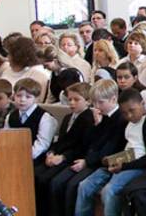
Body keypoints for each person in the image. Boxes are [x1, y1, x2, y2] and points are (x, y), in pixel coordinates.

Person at [76, 89, 146, 216]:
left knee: (109, 190)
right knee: (84, 186)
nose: (129, 116)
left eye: (132, 110)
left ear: (142, 103)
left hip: (140, 166)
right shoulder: (126, 122)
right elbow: (124, 147)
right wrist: (111, 159)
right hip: (124, 160)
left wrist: (124, 166)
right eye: (124, 113)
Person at [48, 80, 122, 216]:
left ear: (113, 99)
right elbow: (90, 142)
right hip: (91, 159)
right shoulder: (102, 116)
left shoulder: (120, 118)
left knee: (74, 186)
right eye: (94, 102)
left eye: (100, 102)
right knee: (57, 182)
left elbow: (109, 149)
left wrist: (87, 161)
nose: (96, 106)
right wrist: (97, 125)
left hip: (106, 163)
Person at [35, 82, 94, 215]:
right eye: (70, 99)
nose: (72, 103)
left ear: (88, 101)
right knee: (36, 174)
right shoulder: (68, 118)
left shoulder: (88, 119)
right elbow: (61, 141)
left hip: (73, 158)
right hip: (58, 155)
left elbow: (82, 147)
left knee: (54, 181)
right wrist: (51, 153)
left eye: (76, 99)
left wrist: (62, 157)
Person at [9, 77, 59, 160]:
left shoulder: (45, 118)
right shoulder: (11, 116)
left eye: (28, 97)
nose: (22, 100)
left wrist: (22, 156)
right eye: (18, 96)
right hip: (13, 156)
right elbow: (6, 139)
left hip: (37, 158)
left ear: (36, 99)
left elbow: (42, 144)